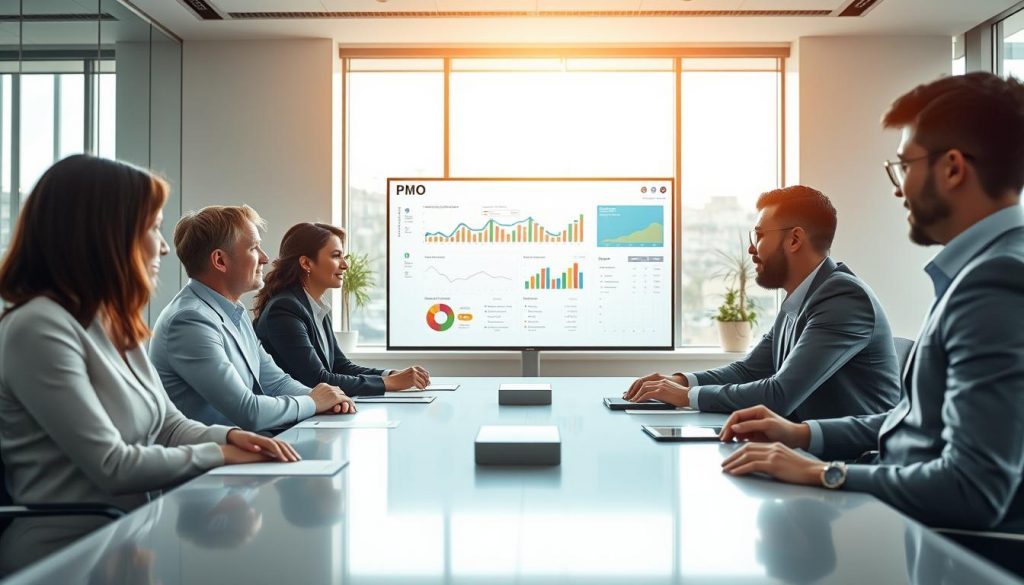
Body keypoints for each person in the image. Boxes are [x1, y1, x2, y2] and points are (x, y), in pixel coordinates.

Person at [719, 72, 1024, 532]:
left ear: (953, 168)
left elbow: (972, 488)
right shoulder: (983, 270)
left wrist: (824, 473)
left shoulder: (995, 281)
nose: (898, 189)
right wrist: (804, 435)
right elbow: (912, 422)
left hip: (935, 542)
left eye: (904, 166)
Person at [0, 155, 298, 518]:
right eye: (153, 228)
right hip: (77, 540)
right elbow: (112, 465)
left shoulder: (113, 322)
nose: (164, 247)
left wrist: (230, 436)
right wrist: (220, 453)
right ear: (105, 236)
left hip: (134, 529)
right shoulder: (37, 328)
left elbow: (168, 426)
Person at [625, 186, 901, 421]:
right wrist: (681, 381)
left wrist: (687, 396)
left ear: (794, 239)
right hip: (801, 450)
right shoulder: (802, 297)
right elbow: (748, 371)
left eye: (759, 235)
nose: (751, 248)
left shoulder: (843, 297)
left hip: (849, 458)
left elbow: (780, 394)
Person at [149, 206, 356, 433]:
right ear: (220, 260)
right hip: (215, 453)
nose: (265, 258)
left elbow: (276, 382)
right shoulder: (189, 321)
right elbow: (249, 411)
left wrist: (328, 399)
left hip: (246, 446)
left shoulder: (234, 311)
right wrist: (313, 402)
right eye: (254, 248)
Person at [252, 222, 430, 395]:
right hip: (294, 413)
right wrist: (389, 383)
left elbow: (340, 366)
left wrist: (390, 375)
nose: (345, 265)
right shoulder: (284, 310)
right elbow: (317, 380)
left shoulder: (315, 307)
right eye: (336, 256)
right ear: (306, 263)